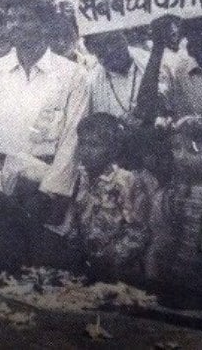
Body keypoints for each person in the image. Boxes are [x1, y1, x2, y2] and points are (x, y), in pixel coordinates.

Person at [0, 0, 88, 273]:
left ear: (44, 23)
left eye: (24, 18)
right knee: (6, 276)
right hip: (5, 191)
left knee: (49, 276)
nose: (16, 26)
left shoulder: (72, 75)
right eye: (11, 19)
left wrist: (51, 193)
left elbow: (74, 137)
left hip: (50, 191)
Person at [144, 116, 202, 310]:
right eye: (176, 148)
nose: (182, 156)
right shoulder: (170, 194)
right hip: (174, 284)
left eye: (193, 150)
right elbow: (160, 243)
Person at [66, 113, 154, 286]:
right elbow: (75, 221)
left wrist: (111, 259)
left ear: (113, 149)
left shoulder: (126, 181)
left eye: (94, 145)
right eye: (82, 143)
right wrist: (74, 252)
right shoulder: (81, 176)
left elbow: (139, 232)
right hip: (87, 270)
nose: (86, 150)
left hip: (121, 273)